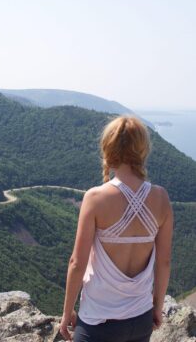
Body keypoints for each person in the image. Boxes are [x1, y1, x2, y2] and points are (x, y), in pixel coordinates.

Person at [59, 115, 173, 342]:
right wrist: (157, 307)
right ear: (143, 149)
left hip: (98, 323)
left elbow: (77, 263)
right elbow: (164, 262)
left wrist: (66, 313)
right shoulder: (161, 198)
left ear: (108, 148)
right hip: (140, 320)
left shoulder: (96, 198)